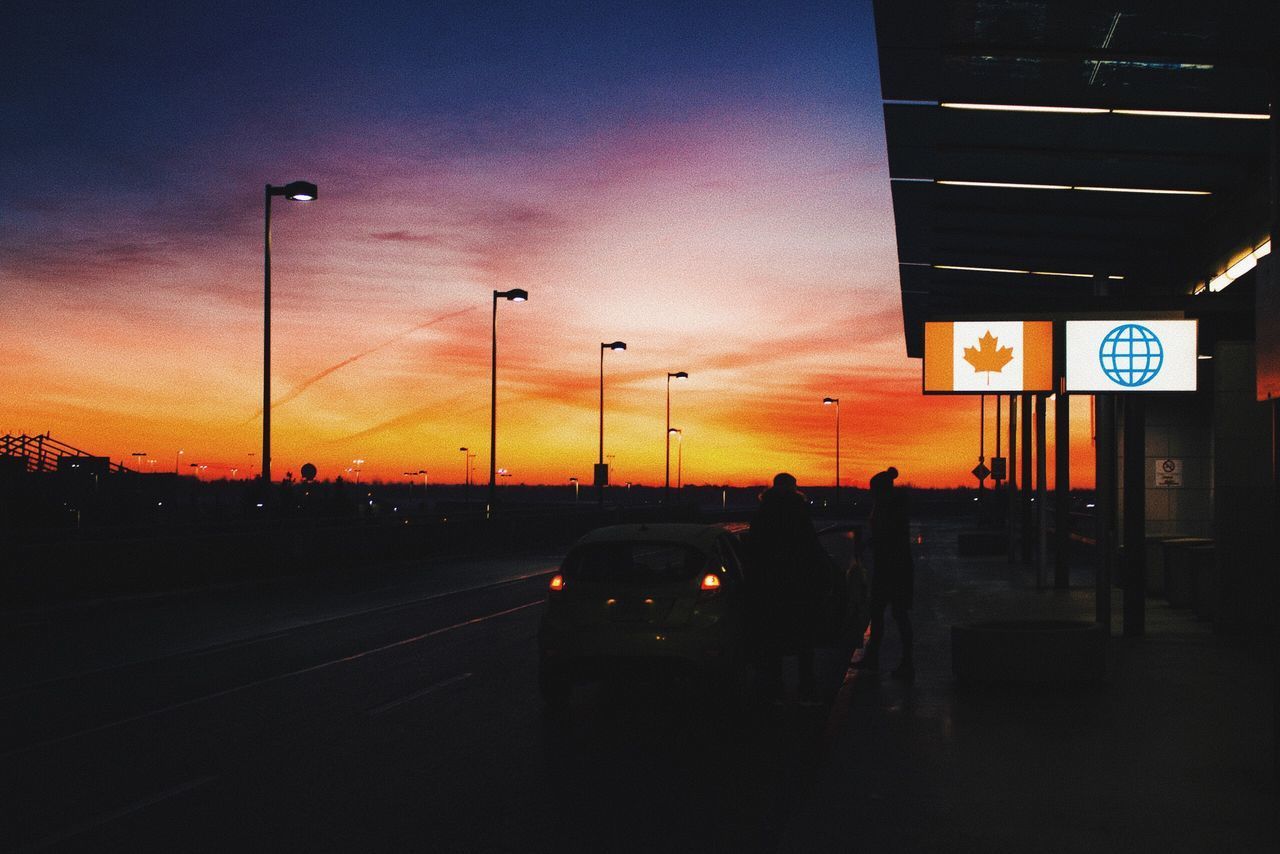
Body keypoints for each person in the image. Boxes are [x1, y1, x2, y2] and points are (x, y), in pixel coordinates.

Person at [748, 472, 826, 705]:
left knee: (773, 636)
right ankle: (807, 684)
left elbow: (754, 547)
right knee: (803, 635)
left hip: (769, 582)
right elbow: (811, 546)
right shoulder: (799, 512)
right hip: (798, 581)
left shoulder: (763, 512)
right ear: (794, 488)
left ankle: (774, 685)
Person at [858, 466, 915, 677]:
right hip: (895, 567)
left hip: (893, 568)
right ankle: (885, 660)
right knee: (888, 615)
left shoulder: (888, 508)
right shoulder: (893, 506)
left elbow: (888, 536)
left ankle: (903, 663)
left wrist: (870, 543)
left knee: (892, 615)